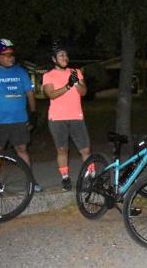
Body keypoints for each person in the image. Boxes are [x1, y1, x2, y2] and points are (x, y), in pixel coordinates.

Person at [42, 44, 92, 191]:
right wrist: (68, 86)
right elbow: (50, 94)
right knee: (62, 150)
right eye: (61, 55)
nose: (65, 58)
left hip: (76, 116)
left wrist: (76, 83)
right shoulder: (48, 75)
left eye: (65, 55)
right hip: (57, 118)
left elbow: (83, 92)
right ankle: (65, 178)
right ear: (54, 59)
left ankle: (91, 176)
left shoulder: (76, 72)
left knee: (85, 150)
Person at [0, 38, 42, 192]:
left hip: (19, 119)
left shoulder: (21, 71)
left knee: (22, 150)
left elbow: (30, 93)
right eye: (6, 54)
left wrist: (34, 113)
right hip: (0, 121)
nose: (11, 57)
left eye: (12, 54)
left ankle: (30, 181)